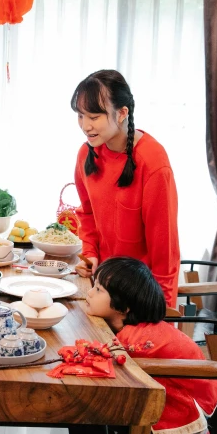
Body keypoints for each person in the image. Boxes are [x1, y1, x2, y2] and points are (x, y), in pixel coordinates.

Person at [85, 257, 217, 434]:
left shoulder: (136, 341)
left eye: (98, 289)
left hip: (195, 400)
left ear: (124, 307)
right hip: (199, 385)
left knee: (98, 399)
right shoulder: (130, 328)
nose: (90, 293)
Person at [71, 70, 180, 307]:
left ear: (122, 113)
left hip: (138, 300)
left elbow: (165, 251)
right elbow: (87, 215)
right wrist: (90, 253)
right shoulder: (86, 154)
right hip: (101, 288)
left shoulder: (153, 162)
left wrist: (164, 312)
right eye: (80, 116)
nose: (85, 126)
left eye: (94, 116)